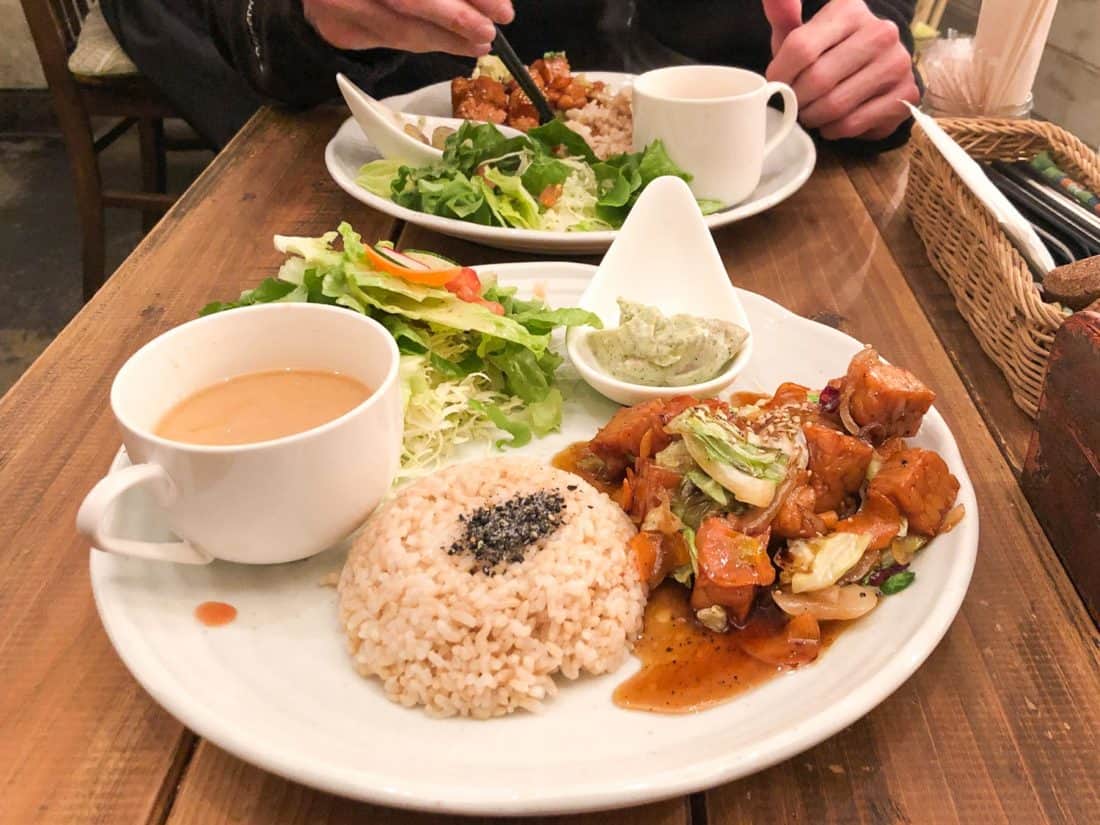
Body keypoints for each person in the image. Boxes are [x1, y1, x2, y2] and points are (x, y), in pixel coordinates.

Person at [104, 0, 920, 151]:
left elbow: (869, 26)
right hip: (417, 203)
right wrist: (304, 15)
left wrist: (867, 76)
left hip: (756, 210)